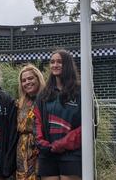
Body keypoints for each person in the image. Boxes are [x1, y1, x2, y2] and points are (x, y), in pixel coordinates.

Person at [33, 50, 82, 180]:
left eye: (59, 62)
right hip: (47, 153)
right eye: (52, 62)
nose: (55, 65)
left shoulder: (80, 92)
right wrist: (44, 145)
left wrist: (61, 144)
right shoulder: (43, 94)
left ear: (68, 65)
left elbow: (87, 127)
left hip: (72, 154)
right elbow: (36, 122)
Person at [15, 64, 46, 180]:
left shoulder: (47, 100)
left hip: (40, 148)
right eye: (24, 80)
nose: (27, 82)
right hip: (22, 150)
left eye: (30, 78)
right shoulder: (19, 104)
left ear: (38, 78)